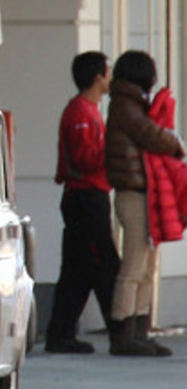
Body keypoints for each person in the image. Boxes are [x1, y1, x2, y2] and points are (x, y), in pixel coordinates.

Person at [105, 50, 184, 356]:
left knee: (147, 266)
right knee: (134, 265)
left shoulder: (129, 104)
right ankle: (124, 332)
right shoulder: (126, 106)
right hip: (134, 195)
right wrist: (176, 142)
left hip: (141, 195)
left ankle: (139, 329)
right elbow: (151, 135)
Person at [45, 51, 120, 354]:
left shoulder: (87, 111)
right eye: (108, 71)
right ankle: (119, 329)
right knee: (103, 264)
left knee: (80, 269)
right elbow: (85, 159)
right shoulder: (81, 114)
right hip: (85, 197)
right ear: (98, 76)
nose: (111, 77)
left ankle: (61, 334)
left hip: (88, 196)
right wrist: (115, 148)